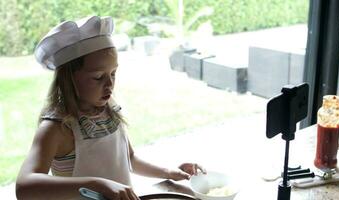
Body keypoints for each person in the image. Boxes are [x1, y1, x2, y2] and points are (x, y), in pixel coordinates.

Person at [16, 16, 205, 200]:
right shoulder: (57, 128)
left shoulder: (109, 109)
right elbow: (25, 187)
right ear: (68, 79)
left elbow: (129, 158)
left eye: (113, 73)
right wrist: (97, 184)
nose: (109, 85)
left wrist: (169, 172)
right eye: (98, 77)